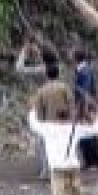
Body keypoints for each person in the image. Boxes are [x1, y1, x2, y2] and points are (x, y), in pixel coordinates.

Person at [28, 104, 98, 195]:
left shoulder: (47, 128)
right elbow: (95, 130)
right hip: (72, 165)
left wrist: (33, 109)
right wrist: (96, 116)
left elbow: (33, 124)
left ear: (55, 117)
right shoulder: (75, 128)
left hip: (56, 167)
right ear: (69, 117)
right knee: (75, 188)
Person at [29, 50, 72, 178]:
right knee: (62, 146)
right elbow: (71, 103)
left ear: (46, 75)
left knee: (43, 146)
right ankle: (63, 167)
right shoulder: (64, 87)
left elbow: (39, 109)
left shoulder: (42, 90)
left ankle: (46, 171)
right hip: (63, 121)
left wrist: (40, 122)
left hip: (48, 122)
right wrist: (70, 117)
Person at [72, 50, 97, 122]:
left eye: (72, 57)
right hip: (83, 100)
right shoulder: (83, 68)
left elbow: (85, 89)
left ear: (76, 58)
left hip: (83, 101)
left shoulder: (84, 71)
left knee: (84, 119)